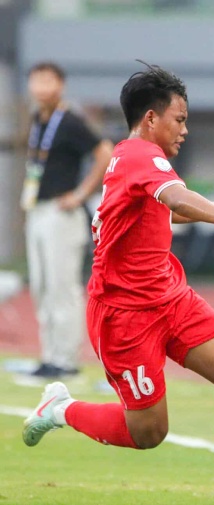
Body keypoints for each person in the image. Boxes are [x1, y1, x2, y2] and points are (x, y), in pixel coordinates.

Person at [22, 63, 214, 505]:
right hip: (124, 314)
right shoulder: (137, 155)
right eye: (180, 118)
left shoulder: (141, 162)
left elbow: (162, 213)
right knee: (148, 432)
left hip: (169, 297)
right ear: (151, 119)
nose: (185, 129)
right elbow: (174, 198)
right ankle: (61, 409)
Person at [22, 62, 113, 379]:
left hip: (62, 214)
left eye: (47, 81)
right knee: (42, 286)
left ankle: (67, 359)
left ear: (60, 85)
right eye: (35, 81)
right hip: (38, 209)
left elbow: (104, 151)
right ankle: (49, 356)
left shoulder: (71, 120)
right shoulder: (38, 119)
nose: (40, 88)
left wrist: (81, 194)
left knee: (63, 287)